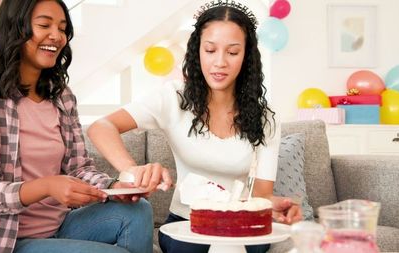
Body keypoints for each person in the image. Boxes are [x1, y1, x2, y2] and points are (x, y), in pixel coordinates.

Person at [87, 2, 302, 253]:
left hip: (241, 224)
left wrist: (274, 207)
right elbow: (101, 127)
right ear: (197, 50)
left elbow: (262, 195)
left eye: (232, 52)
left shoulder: (264, 117)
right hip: (186, 222)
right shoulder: (173, 98)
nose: (219, 62)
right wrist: (132, 170)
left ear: (247, 57)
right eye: (210, 50)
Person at [0, 1, 153, 253]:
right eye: (44, 25)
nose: (57, 36)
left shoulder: (62, 96)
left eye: (62, 28)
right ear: (15, 28)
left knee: (138, 210)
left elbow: (79, 168)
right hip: (6, 240)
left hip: (60, 225)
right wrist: (47, 186)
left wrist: (114, 187)